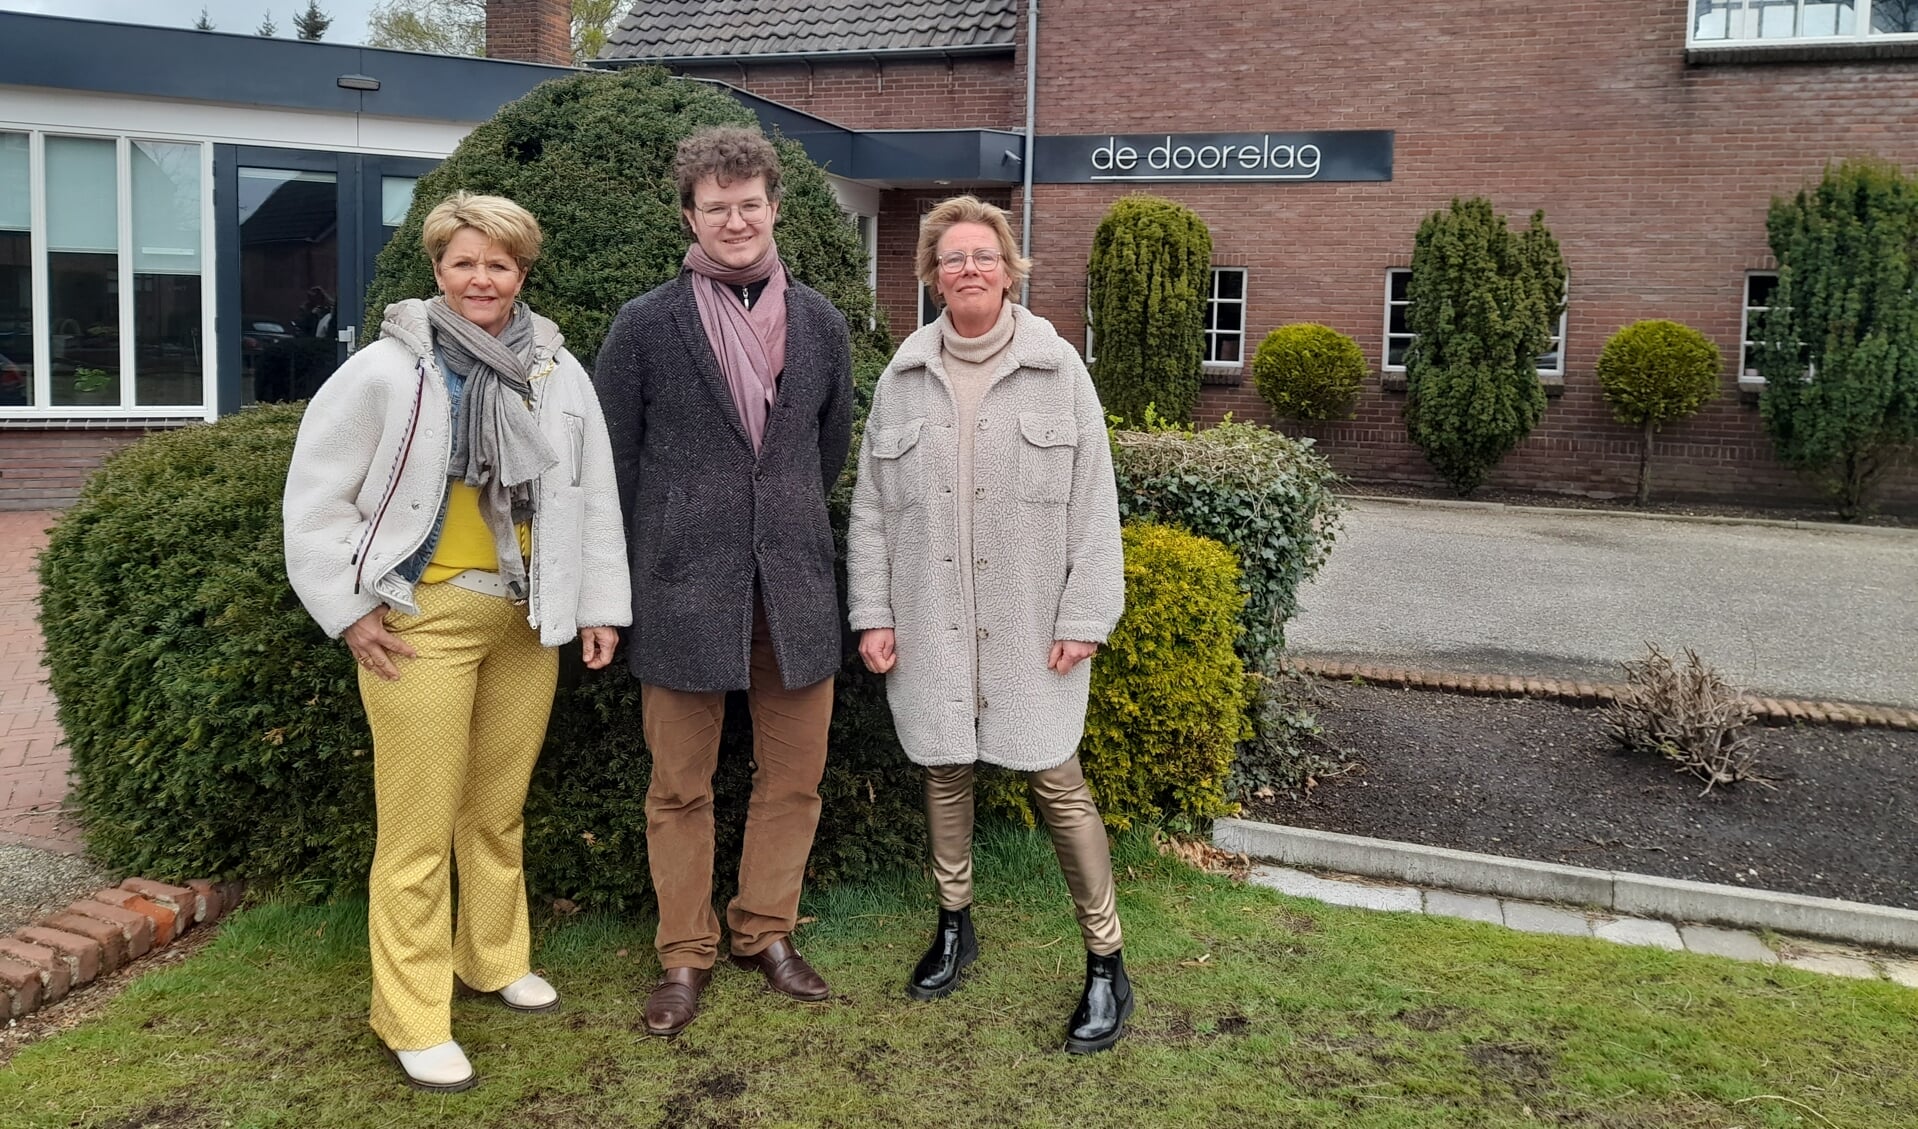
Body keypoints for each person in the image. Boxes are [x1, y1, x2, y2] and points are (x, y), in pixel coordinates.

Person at [283, 191, 630, 1092]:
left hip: (526, 618)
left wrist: (597, 605)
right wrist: (347, 607)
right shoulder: (387, 371)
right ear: (438, 267)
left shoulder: (555, 370)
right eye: (466, 261)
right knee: (416, 826)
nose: (483, 278)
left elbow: (589, 493)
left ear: (523, 273)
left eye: (500, 264)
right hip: (419, 621)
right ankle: (412, 1013)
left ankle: (494, 957)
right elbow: (315, 498)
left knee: (496, 806)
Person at [846, 195, 1132, 1053]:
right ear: (931, 275)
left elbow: (1095, 506)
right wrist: (873, 612)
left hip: (1030, 627)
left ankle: (1107, 960)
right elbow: (870, 511)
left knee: (1058, 784)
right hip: (931, 623)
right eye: (952, 258)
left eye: (984, 255)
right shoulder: (901, 379)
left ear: (1009, 268)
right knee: (944, 770)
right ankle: (953, 924)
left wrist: (1086, 614)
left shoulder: (1058, 368)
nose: (968, 269)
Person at [594, 126, 854, 1037]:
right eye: (717, 206)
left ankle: (766, 930)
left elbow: (825, 451)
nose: (735, 220)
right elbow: (612, 467)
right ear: (689, 215)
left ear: (775, 207)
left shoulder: (820, 323)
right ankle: (683, 952)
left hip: (793, 587)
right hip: (678, 587)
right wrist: (616, 586)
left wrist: (770, 523)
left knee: (793, 780)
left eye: (750, 203)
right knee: (680, 785)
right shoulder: (644, 325)